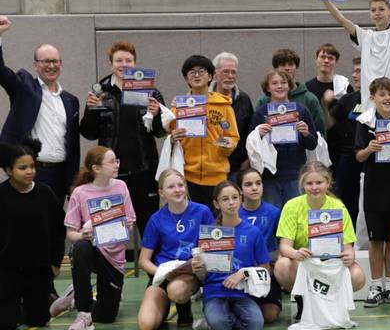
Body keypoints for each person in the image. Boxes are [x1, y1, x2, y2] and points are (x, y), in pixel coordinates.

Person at [80, 39, 164, 234]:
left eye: (128, 60)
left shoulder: (151, 91)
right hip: (109, 173)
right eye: (119, 60)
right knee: (109, 228)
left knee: (149, 225)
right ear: (111, 64)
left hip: (144, 170)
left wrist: (158, 114)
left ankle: (150, 263)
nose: (123, 65)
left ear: (135, 63)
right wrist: (91, 110)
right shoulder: (100, 91)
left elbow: (160, 132)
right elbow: (88, 133)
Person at [54, 147, 136, 330]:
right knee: (80, 247)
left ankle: (72, 296)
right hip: (91, 250)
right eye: (112, 161)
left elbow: (130, 224)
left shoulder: (121, 187)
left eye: (117, 160)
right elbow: (71, 233)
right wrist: (84, 234)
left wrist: (124, 225)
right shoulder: (80, 193)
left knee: (106, 317)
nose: (117, 165)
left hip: (113, 257)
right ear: (96, 168)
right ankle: (83, 313)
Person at [0, 16, 80, 205]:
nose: (51, 66)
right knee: (26, 226)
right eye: (45, 61)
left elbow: (73, 144)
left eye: (55, 61)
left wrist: (73, 181)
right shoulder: (24, 88)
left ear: (60, 64)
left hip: (61, 175)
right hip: (31, 171)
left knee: (53, 228)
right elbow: (1, 71)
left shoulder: (71, 101)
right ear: (35, 65)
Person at [273, 163, 366, 315]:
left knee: (358, 276)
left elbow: (348, 246)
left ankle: (333, 302)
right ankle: (303, 299)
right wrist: (296, 253)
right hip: (304, 262)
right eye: (309, 183)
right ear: (303, 184)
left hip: (331, 262)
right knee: (282, 265)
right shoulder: (291, 206)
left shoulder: (338, 207)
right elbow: (284, 246)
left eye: (319, 182)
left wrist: (350, 255)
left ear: (328, 183)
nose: (314, 187)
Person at [354, 76, 390, 307]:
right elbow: (358, 156)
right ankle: (376, 285)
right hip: (374, 186)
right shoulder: (364, 122)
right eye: (382, 94)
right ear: (372, 98)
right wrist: (369, 149)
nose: (387, 98)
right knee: (376, 239)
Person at [136, 169, 213, 330]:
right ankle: (164, 308)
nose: (177, 189)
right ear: (161, 193)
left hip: (192, 272)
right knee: (146, 325)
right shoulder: (156, 219)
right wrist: (163, 273)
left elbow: (212, 249)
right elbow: (143, 261)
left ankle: (185, 313)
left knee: (176, 289)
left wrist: (201, 262)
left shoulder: (203, 212)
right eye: (171, 187)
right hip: (164, 275)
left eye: (180, 185)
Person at [0, 139, 64, 330]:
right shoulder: (1, 195)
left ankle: (29, 306)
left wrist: (55, 262)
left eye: (32, 166)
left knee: (39, 320)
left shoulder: (45, 194)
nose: (29, 171)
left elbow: (57, 230)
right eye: (22, 168)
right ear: (9, 170)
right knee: (5, 324)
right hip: (7, 269)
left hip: (37, 268)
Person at [191, 180, 269, 330]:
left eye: (235, 197)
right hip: (215, 292)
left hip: (243, 293)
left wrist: (243, 274)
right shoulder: (209, 233)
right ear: (216, 204)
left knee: (254, 328)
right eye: (225, 199)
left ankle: (218, 321)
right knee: (222, 327)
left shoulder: (252, 231)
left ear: (241, 199)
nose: (231, 203)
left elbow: (266, 268)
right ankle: (216, 320)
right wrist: (198, 269)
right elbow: (202, 277)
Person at [319, 0, 390, 105]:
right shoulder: (365, 37)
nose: (377, 13)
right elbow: (341, 19)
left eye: (381, 9)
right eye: (373, 10)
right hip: (371, 103)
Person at [170, 55, 238, 208]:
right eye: (192, 72)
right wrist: (173, 137)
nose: (197, 75)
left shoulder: (224, 106)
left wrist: (223, 144)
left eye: (201, 71)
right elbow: (171, 137)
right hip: (187, 177)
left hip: (217, 176)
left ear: (210, 76)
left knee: (216, 225)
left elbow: (232, 136)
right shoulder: (179, 106)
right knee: (193, 224)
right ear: (186, 78)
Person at [250, 69, 320, 208]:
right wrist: (260, 134)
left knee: (297, 215)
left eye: (283, 82)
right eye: (274, 83)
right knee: (274, 216)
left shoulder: (301, 110)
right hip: (270, 175)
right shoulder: (261, 112)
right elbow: (251, 144)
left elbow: (312, 145)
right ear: (268, 88)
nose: (280, 86)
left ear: (289, 85)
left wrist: (306, 134)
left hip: (296, 173)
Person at [238, 167, 283, 323]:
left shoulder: (274, 212)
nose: (254, 188)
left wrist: (277, 258)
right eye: (248, 184)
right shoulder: (232, 213)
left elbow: (281, 243)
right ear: (240, 190)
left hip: (265, 271)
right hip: (240, 272)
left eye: (258, 183)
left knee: (270, 316)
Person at [255, 48, 326, 137]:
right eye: (283, 65)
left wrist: (307, 134)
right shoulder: (263, 100)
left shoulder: (309, 99)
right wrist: (259, 133)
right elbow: (254, 133)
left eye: (291, 64)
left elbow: (320, 134)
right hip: (270, 149)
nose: (287, 68)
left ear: (296, 67)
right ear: (275, 68)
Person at [325, 58, 363, 221]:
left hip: (372, 157)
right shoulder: (348, 99)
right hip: (348, 157)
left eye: (359, 71)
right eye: (354, 71)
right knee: (347, 202)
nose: (354, 75)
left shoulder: (380, 98)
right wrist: (325, 104)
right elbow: (328, 124)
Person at [212, 52, 254, 179]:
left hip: (238, 168)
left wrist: (248, 159)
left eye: (233, 72)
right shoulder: (203, 99)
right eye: (225, 71)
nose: (230, 76)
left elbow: (250, 132)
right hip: (212, 167)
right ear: (215, 73)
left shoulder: (244, 99)